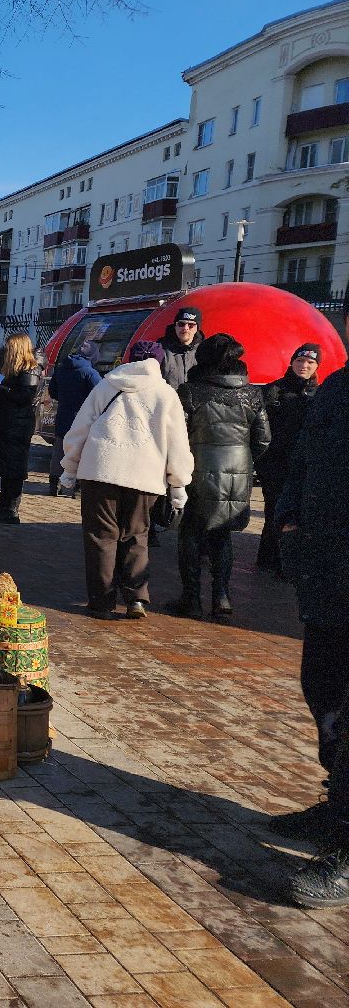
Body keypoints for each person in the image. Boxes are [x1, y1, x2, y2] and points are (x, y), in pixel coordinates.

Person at [273, 363, 349, 905]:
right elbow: (300, 462)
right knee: (321, 686)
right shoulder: (339, 387)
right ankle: (338, 803)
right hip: (327, 568)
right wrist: (289, 519)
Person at [59, 340, 193, 620]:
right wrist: (178, 482)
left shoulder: (107, 386)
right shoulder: (166, 394)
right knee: (137, 535)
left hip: (100, 470)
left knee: (101, 536)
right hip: (144, 476)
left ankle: (101, 601)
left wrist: (69, 469)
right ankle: (136, 598)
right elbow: (178, 444)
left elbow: (79, 429)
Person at [173, 333, 270, 620]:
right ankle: (222, 596)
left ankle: (191, 599)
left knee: (190, 531)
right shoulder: (252, 393)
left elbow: (178, 435)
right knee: (223, 534)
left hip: (197, 469)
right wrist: (245, 462)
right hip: (237, 472)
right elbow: (263, 439)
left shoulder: (190, 391)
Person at [257, 343, 320, 574]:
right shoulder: (274, 391)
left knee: (296, 513)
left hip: (303, 465)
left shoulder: (319, 394)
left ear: (316, 367)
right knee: (275, 509)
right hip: (275, 464)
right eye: (300, 361)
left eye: (310, 363)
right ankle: (269, 559)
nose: (304, 366)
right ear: (292, 362)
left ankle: (286, 563)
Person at [0, 333, 43, 524]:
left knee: (14, 470)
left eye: (9, 348)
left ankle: (11, 509)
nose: (6, 351)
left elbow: (24, 397)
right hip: (11, 424)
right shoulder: (20, 371)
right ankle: (3, 505)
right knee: (7, 468)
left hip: (18, 426)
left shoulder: (30, 370)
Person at [47, 341, 101, 497]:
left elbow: (52, 391)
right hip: (83, 418)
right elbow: (99, 396)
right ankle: (76, 489)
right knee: (81, 452)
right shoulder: (90, 373)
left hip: (63, 416)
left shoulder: (61, 368)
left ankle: (53, 485)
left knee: (58, 450)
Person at [157, 304, 203, 390]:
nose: (185, 328)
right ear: (175, 326)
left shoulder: (204, 351)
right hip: (168, 402)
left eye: (191, 325)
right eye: (181, 324)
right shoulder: (160, 350)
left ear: (197, 328)